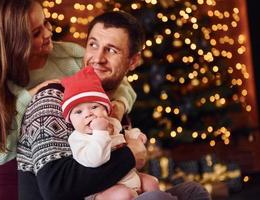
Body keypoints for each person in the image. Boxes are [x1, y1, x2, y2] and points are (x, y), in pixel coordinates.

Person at [17, 10, 211, 200]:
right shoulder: (54, 99)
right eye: (93, 45)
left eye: (111, 50)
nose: (98, 58)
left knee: (193, 191)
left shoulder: (112, 106)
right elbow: (55, 188)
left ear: (133, 61)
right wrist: (129, 156)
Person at [0, 0, 137, 200]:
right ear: (13, 41)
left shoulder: (69, 57)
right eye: (36, 33)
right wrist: (29, 97)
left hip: (70, 165)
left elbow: (120, 84)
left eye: (46, 23)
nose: (48, 33)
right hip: (14, 174)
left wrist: (119, 107)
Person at [61, 66, 160, 199]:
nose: (88, 114)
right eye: (78, 112)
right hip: (105, 188)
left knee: (152, 183)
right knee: (125, 194)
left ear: (106, 110)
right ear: (70, 121)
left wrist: (136, 136)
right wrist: (100, 132)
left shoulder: (113, 123)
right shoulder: (78, 139)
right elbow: (95, 160)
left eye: (94, 107)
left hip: (129, 176)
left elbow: (124, 135)